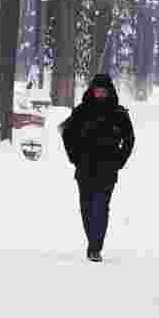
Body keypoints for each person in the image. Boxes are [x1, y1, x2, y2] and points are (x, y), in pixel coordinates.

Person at [60, 73, 135, 261]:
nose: (100, 94)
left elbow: (129, 139)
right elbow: (66, 134)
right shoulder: (81, 112)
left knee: (101, 207)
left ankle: (95, 248)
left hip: (108, 169)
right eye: (97, 90)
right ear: (92, 91)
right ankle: (93, 241)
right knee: (86, 208)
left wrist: (120, 160)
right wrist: (74, 157)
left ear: (109, 92)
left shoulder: (119, 114)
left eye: (103, 91)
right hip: (84, 167)